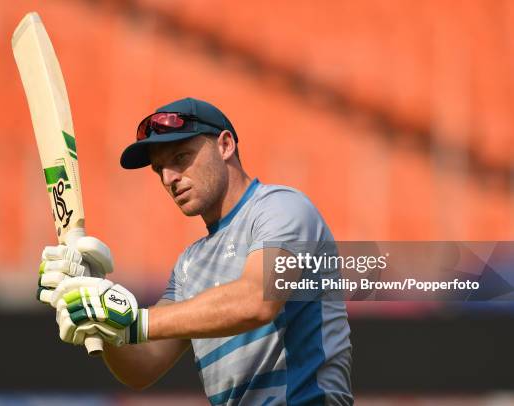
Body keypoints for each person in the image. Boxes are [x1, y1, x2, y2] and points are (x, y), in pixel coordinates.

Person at [39, 97, 353, 405]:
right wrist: (102, 312)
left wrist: (131, 321)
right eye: (159, 169)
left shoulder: (282, 207)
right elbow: (142, 367)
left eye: (180, 157)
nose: (169, 178)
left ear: (225, 145)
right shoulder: (190, 264)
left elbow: (256, 300)